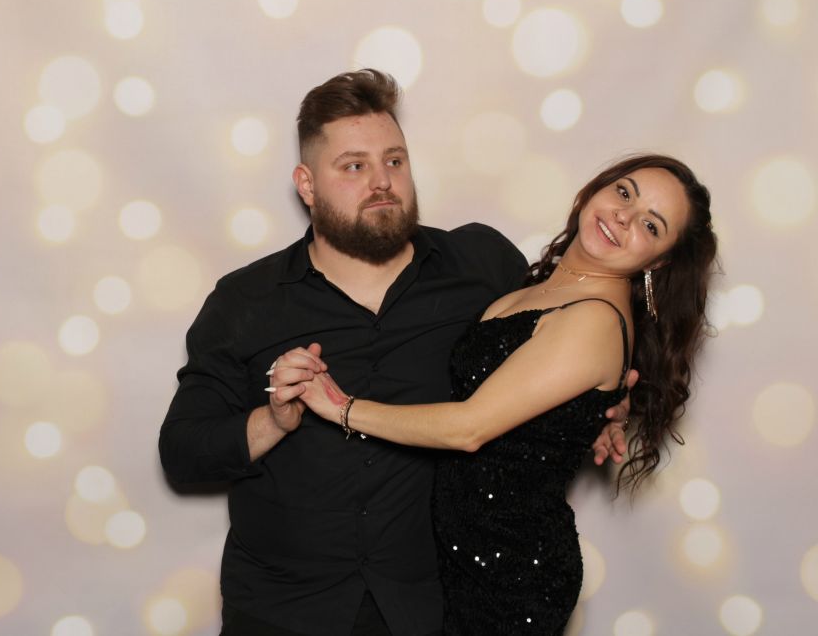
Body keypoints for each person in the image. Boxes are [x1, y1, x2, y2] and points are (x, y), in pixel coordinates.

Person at [158, 69, 629, 636]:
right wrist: (274, 421)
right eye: (354, 166)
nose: (382, 181)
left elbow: (567, 336)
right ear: (307, 185)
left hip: (434, 610)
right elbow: (182, 452)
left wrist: (601, 410)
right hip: (282, 611)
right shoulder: (246, 299)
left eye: (394, 160)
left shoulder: (482, 266)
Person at [297, 153, 718, 634]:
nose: (623, 216)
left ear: (659, 261)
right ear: (598, 188)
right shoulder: (544, 286)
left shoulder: (595, 319)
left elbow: (468, 427)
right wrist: (600, 412)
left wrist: (341, 407)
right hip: (459, 561)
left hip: (510, 577)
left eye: (650, 225)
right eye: (624, 192)